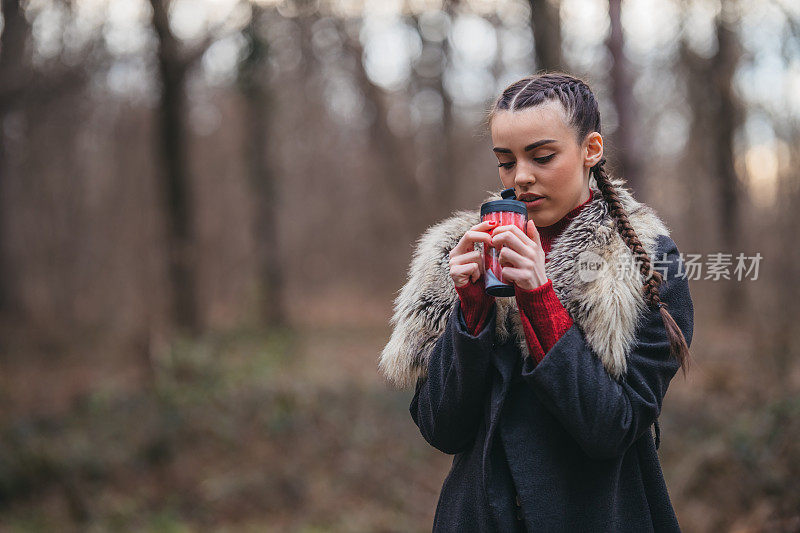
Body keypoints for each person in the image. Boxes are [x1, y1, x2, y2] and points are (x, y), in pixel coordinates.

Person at [378, 72, 694, 532]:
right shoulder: (458, 251)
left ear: (591, 150)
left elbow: (614, 429)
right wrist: (471, 310)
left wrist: (539, 298)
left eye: (542, 156)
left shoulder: (643, 260)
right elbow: (440, 428)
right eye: (505, 162)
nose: (521, 177)